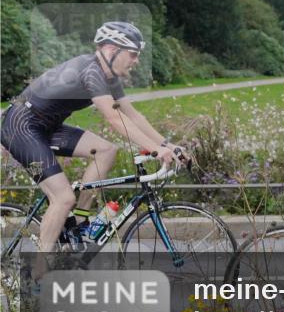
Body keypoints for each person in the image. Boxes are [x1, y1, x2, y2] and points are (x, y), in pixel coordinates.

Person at [0, 21, 186, 258]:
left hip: (45, 127)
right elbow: (114, 118)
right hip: (20, 127)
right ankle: (39, 270)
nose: (136, 60)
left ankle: (80, 221)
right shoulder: (91, 71)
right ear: (111, 50)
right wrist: (156, 150)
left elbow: (133, 115)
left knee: (106, 150)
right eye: (132, 54)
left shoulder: (108, 78)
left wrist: (167, 145)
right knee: (63, 198)